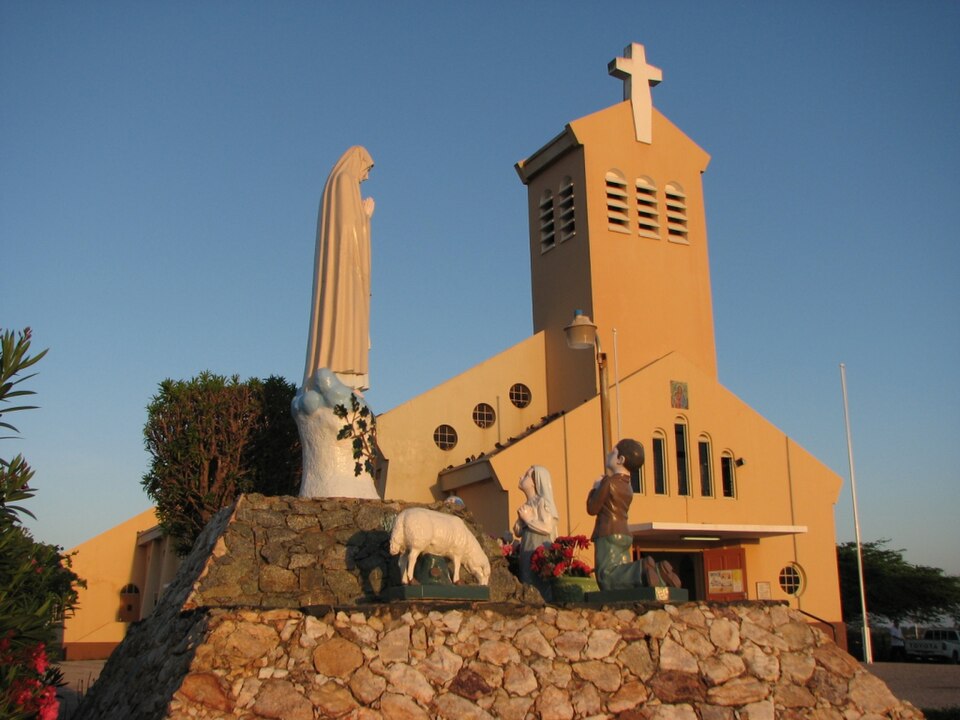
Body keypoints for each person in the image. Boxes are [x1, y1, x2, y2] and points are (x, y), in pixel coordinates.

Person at [303, 146, 375, 392]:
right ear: (358, 163)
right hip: (347, 271)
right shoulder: (345, 181)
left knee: (351, 315)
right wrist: (365, 219)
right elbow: (348, 231)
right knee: (345, 314)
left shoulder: (343, 185)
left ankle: (348, 377)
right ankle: (342, 368)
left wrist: (363, 219)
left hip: (349, 269)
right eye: (366, 169)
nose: (365, 177)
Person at [586, 438, 682, 590]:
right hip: (624, 532)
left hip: (608, 531)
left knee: (606, 577)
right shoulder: (628, 486)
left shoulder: (609, 483)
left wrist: (595, 488)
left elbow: (592, 508)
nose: (609, 454)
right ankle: (656, 572)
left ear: (620, 459)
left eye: (613, 452)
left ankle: (642, 569)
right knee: (624, 580)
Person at [513, 465, 559, 589]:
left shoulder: (542, 502)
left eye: (527, 475)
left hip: (538, 549)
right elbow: (518, 532)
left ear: (535, 482)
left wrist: (528, 520)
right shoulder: (528, 504)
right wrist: (521, 521)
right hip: (527, 548)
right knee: (526, 576)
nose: (521, 477)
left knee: (538, 581)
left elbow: (547, 527)